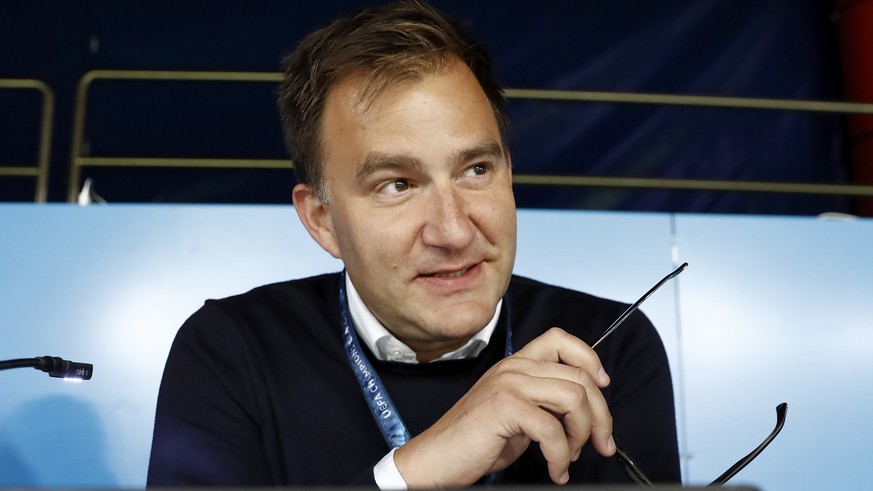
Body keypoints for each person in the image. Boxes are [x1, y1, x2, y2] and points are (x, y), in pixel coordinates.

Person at [147, 1, 680, 487]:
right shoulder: (231, 350)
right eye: (397, 185)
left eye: (475, 169)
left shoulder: (608, 350)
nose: (453, 231)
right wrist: (414, 471)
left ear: (509, 175)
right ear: (322, 219)